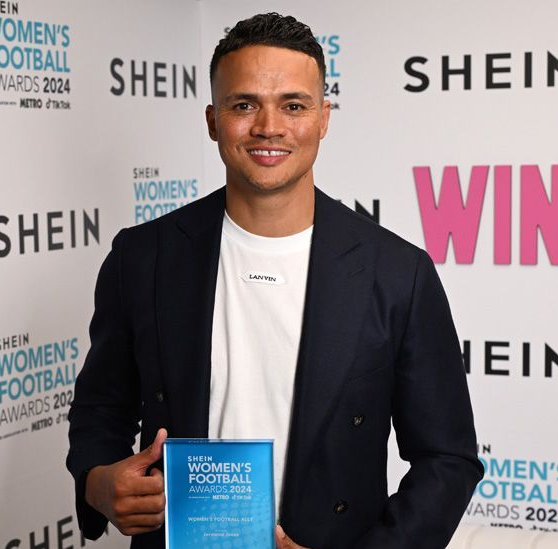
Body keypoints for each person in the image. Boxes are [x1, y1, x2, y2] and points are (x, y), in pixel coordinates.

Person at [67, 12, 482, 549]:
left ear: (323, 118)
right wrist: (99, 482)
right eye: (244, 105)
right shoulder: (142, 256)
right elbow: (101, 407)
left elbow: (447, 459)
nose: (268, 126)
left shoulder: (398, 273)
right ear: (213, 120)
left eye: (293, 105)